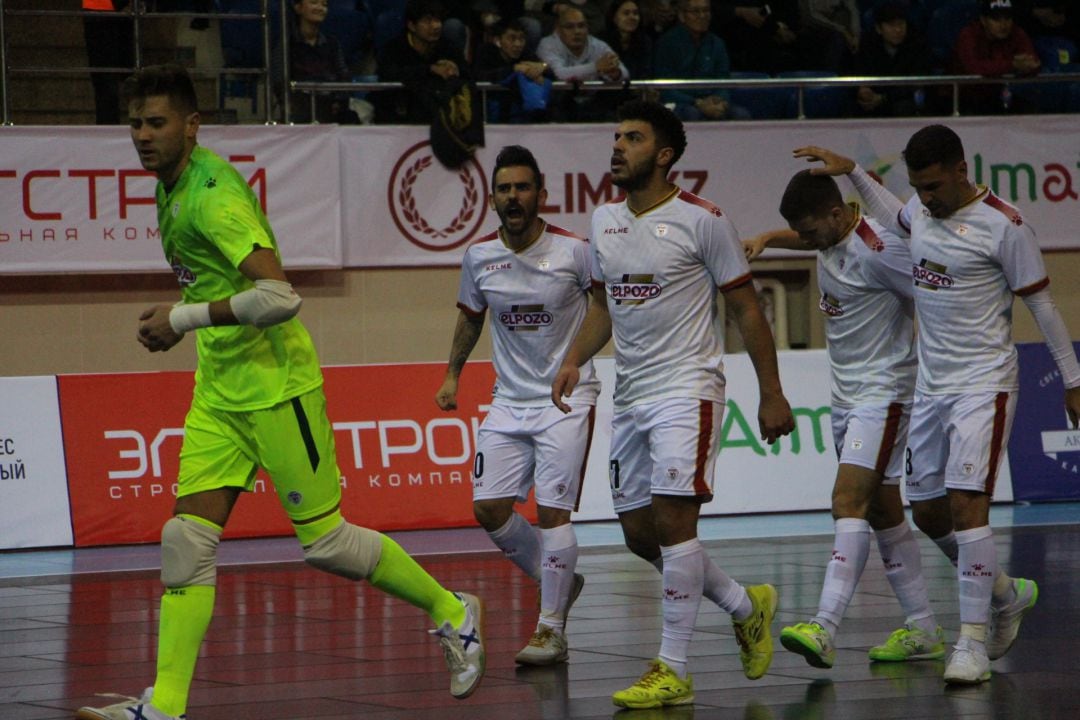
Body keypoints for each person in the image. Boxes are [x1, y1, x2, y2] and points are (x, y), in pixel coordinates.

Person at [75, 64, 485, 720]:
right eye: (134, 124)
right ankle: (165, 708)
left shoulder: (212, 195)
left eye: (156, 123)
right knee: (185, 541)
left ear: (191, 126)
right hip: (219, 392)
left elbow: (280, 296)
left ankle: (452, 610)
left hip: (278, 389)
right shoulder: (170, 184)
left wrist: (180, 320)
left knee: (325, 544)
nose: (143, 136)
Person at [792, 126, 1080, 684]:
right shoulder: (919, 213)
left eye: (934, 186)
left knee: (969, 506)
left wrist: (1072, 379)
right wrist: (852, 170)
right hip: (929, 386)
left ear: (960, 169)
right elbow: (893, 209)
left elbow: (1042, 306)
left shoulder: (1005, 225)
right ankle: (1004, 594)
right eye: (919, 187)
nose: (926, 198)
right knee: (927, 510)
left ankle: (970, 643)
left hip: (983, 384)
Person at [552, 100, 795, 708]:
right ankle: (746, 604)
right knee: (639, 534)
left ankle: (673, 669)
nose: (617, 146)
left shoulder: (703, 221)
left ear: (663, 156)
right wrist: (574, 357)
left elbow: (744, 309)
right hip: (630, 393)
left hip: (688, 388)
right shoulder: (603, 218)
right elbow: (604, 306)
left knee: (674, 523)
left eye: (631, 138)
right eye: (614, 136)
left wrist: (772, 391)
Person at [744, 170, 954, 670]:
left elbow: (936, 295)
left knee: (847, 501)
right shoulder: (829, 235)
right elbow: (808, 236)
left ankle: (825, 625)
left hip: (884, 394)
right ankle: (934, 621)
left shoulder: (881, 252)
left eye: (812, 231)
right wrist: (770, 238)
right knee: (882, 511)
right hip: (845, 398)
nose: (810, 241)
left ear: (838, 214)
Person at [435, 145, 596, 666]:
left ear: (541, 194)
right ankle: (559, 583)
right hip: (509, 400)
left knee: (553, 512)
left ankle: (551, 628)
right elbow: (470, 316)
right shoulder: (480, 256)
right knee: (488, 509)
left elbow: (609, 309)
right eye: (504, 189)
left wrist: (576, 359)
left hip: (565, 399)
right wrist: (453, 374)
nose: (513, 197)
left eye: (522, 187)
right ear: (492, 199)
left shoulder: (575, 250)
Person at [375, 0, 471, 123]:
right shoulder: (394, 48)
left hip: (441, 117)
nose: (436, 26)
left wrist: (455, 69)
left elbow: (468, 74)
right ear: (412, 25)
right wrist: (430, 69)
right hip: (401, 117)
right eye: (428, 21)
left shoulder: (448, 47)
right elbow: (387, 74)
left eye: (438, 20)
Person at [653, 0, 751, 121]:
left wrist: (720, 101)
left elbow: (723, 80)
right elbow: (665, 88)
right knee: (692, 114)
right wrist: (697, 103)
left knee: (741, 114)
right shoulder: (666, 43)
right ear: (682, 16)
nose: (702, 16)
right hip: (680, 102)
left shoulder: (717, 44)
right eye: (695, 11)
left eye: (706, 11)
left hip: (711, 100)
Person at [272, 0, 360, 124]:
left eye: (324, 5)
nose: (320, 8)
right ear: (298, 8)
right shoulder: (286, 43)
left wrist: (339, 100)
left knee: (351, 119)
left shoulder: (332, 44)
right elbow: (279, 79)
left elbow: (344, 75)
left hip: (330, 105)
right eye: (314, 3)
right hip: (300, 107)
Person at [537, 5, 628, 121]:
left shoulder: (598, 45)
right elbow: (559, 74)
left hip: (593, 105)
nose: (577, 31)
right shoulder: (547, 45)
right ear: (558, 29)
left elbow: (625, 73)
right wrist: (596, 66)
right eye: (569, 27)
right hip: (559, 106)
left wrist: (615, 73)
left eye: (581, 26)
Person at [951, 0, 1041, 114]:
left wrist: (1029, 66)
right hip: (966, 97)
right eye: (996, 19)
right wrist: (1012, 65)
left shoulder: (1017, 33)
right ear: (983, 20)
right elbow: (973, 67)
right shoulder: (968, 35)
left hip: (1001, 95)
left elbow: (1033, 62)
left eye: (1007, 19)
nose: (1003, 25)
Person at [847, 0, 935, 117]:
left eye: (901, 24)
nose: (898, 30)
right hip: (874, 98)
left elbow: (917, 81)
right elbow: (857, 71)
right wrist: (862, 89)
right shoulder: (867, 44)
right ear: (879, 28)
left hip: (901, 100)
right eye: (891, 25)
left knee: (903, 107)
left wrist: (884, 98)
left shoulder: (918, 44)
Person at [473, 18, 554, 122]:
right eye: (512, 38)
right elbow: (479, 76)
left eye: (521, 39)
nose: (518, 44)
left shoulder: (526, 53)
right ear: (498, 41)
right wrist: (513, 69)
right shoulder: (486, 52)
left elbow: (551, 75)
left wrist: (543, 67)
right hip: (491, 117)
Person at [82, 0, 134, 125]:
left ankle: (111, 125)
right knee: (106, 79)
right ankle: (108, 126)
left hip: (108, 11)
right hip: (100, 10)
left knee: (116, 77)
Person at [599, 0, 654, 82]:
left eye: (635, 13)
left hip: (636, 91)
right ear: (614, 18)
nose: (632, 17)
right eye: (626, 13)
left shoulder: (645, 42)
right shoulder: (601, 41)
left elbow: (646, 73)